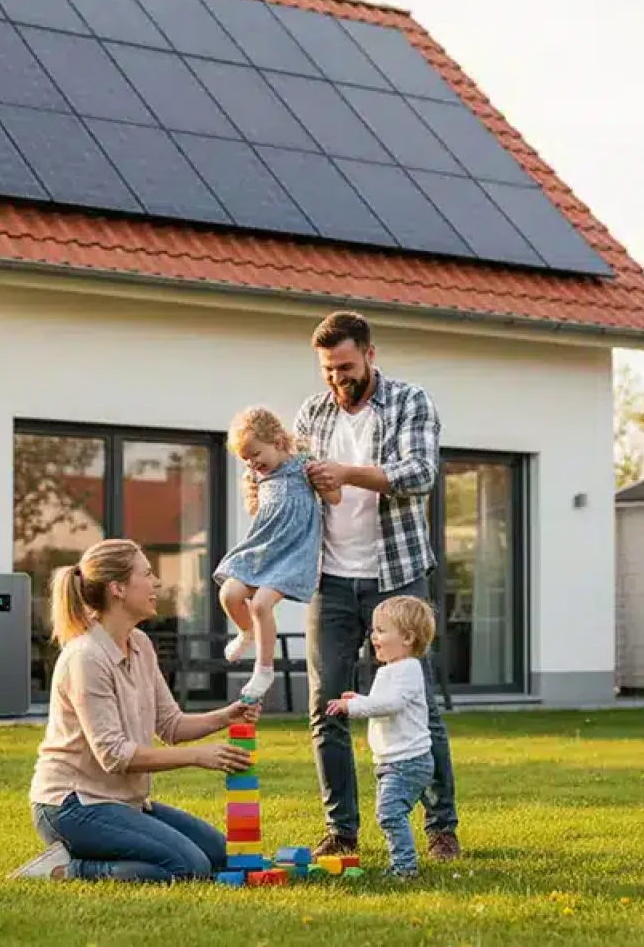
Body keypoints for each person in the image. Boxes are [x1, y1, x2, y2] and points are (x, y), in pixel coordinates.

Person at [296, 310, 461, 862]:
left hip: (397, 576)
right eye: (327, 370)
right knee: (326, 705)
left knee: (420, 705)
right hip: (330, 578)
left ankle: (440, 829)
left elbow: (420, 474)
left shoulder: (411, 401)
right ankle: (342, 829)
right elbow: (294, 482)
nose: (337, 380)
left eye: (345, 366)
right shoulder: (313, 412)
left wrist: (344, 472)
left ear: (370, 354)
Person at [11, 538, 260, 883]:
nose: (156, 583)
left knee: (222, 856)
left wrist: (225, 716)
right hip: (71, 806)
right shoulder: (86, 657)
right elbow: (113, 754)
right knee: (189, 868)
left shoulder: (140, 644)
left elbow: (170, 724)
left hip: (122, 802)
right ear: (118, 589)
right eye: (147, 574)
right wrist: (198, 756)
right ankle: (67, 869)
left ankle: (96, 849)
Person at [215, 406, 340, 703]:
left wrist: (324, 480)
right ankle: (247, 634)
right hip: (265, 547)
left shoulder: (303, 466)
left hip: (295, 551)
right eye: (245, 458)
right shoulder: (259, 476)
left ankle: (264, 669)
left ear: (278, 442)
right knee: (229, 594)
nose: (252, 463)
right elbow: (259, 509)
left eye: (255, 454)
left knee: (260, 604)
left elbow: (334, 498)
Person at [327, 594, 437, 878]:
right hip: (391, 762)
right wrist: (360, 699)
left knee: (389, 814)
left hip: (409, 762)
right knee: (390, 814)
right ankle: (402, 864)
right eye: (374, 630)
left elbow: (391, 704)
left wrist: (354, 706)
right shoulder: (391, 670)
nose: (373, 636)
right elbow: (381, 703)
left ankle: (404, 867)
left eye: (381, 630)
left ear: (407, 638)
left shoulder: (408, 669)